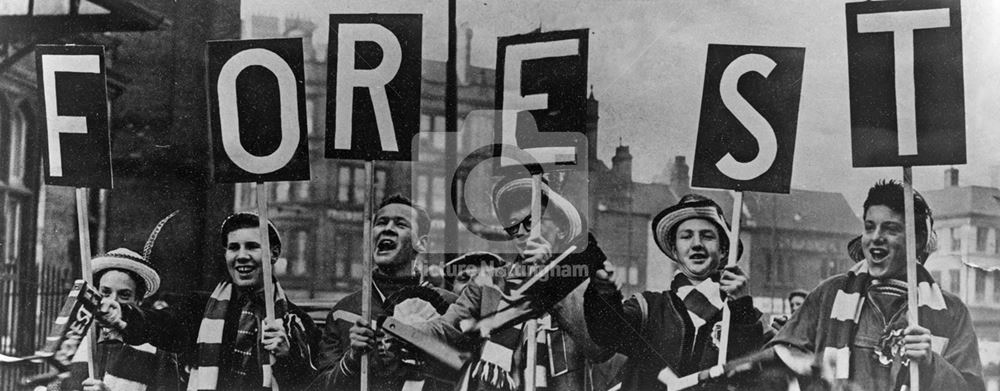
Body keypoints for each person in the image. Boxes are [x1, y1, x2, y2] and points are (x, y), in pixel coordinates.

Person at [768, 180, 985, 391]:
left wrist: (931, 364)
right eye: (869, 227)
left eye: (890, 229)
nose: (876, 237)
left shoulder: (952, 312)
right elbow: (775, 365)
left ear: (917, 240)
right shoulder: (829, 295)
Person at [414, 176, 612, 391]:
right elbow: (445, 329)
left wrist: (550, 277)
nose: (522, 233)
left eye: (531, 222)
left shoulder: (582, 285)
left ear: (561, 229)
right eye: (513, 227)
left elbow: (599, 348)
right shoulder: (489, 283)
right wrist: (395, 331)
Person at [99, 212, 321, 391]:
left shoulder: (296, 322)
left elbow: (311, 384)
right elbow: (162, 325)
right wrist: (123, 315)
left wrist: (287, 356)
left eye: (252, 246)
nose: (241, 255)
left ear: (273, 254)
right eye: (234, 247)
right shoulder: (200, 308)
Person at [584, 194, 771, 391]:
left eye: (707, 236)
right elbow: (607, 334)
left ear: (724, 250)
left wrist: (741, 310)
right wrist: (604, 293)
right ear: (674, 250)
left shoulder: (748, 316)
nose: (696, 244)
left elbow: (752, 376)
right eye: (686, 236)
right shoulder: (648, 307)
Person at [310, 194, 457, 391]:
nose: (387, 229)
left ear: (421, 243)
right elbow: (322, 387)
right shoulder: (344, 311)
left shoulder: (450, 306)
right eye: (381, 222)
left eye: (401, 224)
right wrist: (352, 359)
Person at [71, 247, 185, 391]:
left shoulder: (158, 347)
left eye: (124, 295)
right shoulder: (78, 336)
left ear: (138, 301)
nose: (112, 301)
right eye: (105, 292)